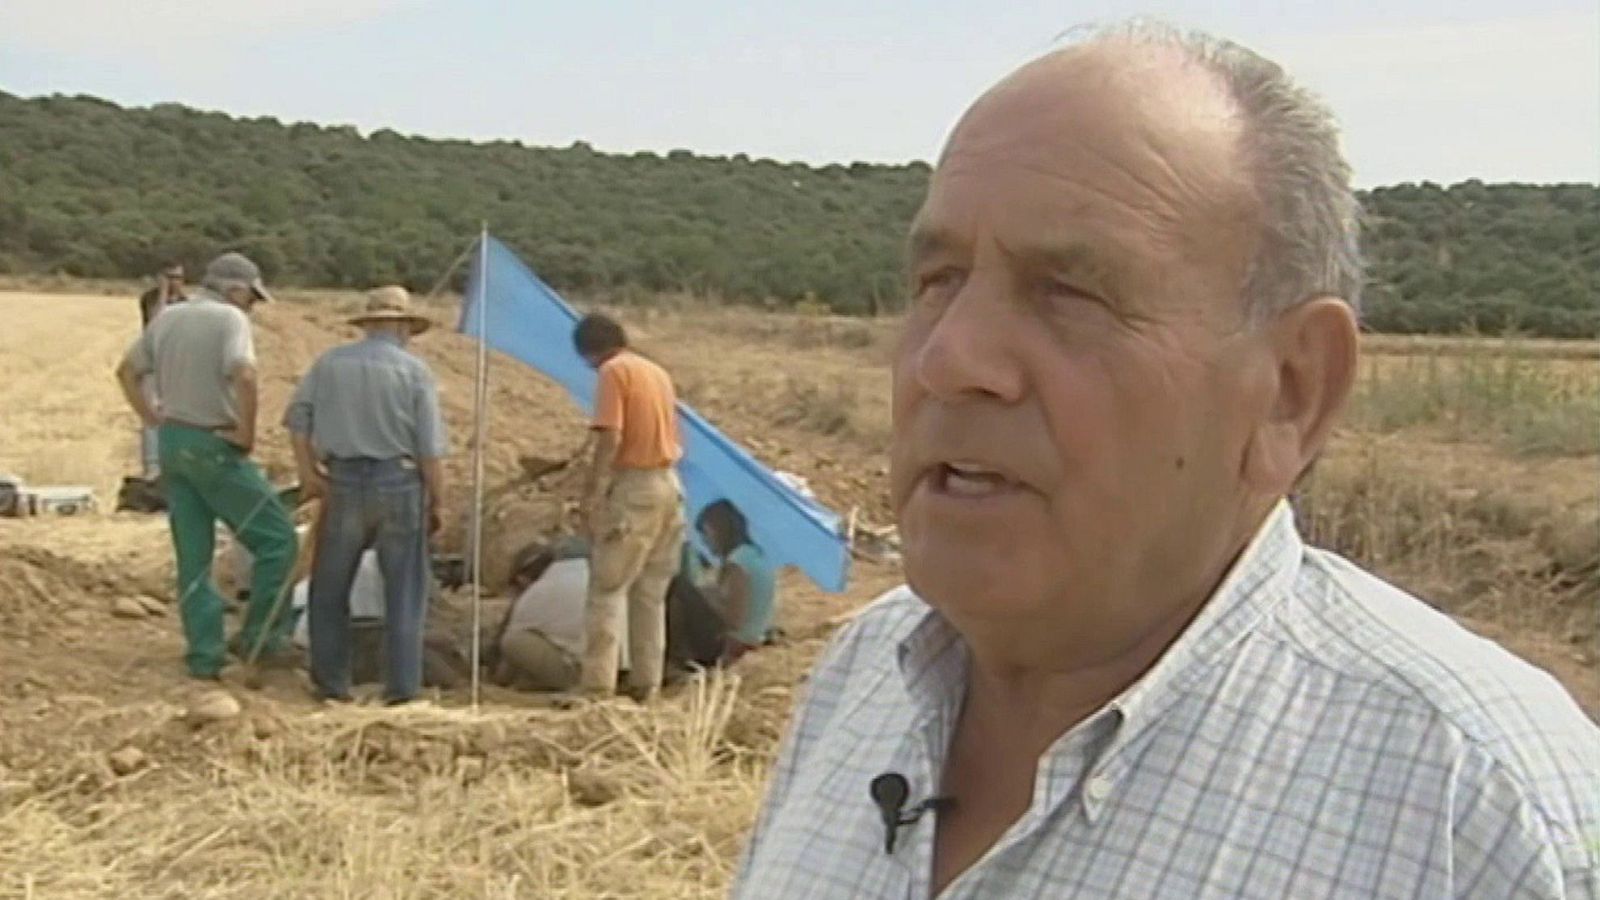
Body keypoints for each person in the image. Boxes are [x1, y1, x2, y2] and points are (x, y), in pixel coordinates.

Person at [735, 23, 1599, 899]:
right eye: (938, 282)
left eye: (1067, 293)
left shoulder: (1483, 820)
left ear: (1290, 389)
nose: (948, 359)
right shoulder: (864, 676)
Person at [114, 251, 295, 680]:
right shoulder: (229, 320)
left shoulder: (168, 317)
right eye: (251, 296)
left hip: (175, 440)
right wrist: (246, 433)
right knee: (278, 541)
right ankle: (261, 639)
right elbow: (244, 375)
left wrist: (153, 418)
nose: (252, 305)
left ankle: (204, 654)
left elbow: (126, 372)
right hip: (214, 441)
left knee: (193, 556)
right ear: (235, 289)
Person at [284, 285, 448, 705]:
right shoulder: (415, 371)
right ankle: (402, 689)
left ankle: (332, 684)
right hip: (399, 481)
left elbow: (297, 418)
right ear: (403, 328)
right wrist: (438, 499)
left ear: (369, 325)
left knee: (330, 587)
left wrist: (309, 472)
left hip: (342, 481)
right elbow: (430, 447)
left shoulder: (329, 364)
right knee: (404, 592)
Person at [574, 313, 685, 701]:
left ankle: (597, 689)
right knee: (650, 594)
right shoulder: (656, 372)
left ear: (590, 352)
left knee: (607, 589)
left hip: (635, 487)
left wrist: (594, 490)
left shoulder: (613, 372)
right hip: (669, 483)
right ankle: (646, 684)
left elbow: (610, 435)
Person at [491, 538, 725, 691]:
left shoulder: (534, 596)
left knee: (515, 641)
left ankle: (577, 685)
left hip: (590, 672)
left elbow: (503, 657)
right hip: (630, 663)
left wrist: (498, 682)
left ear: (523, 579)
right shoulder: (590, 571)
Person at [695, 499, 778, 664]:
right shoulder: (754, 555)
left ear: (720, 531)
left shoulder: (737, 563)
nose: (705, 541)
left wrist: (705, 596)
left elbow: (734, 619)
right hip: (753, 637)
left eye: (707, 533)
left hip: (736, 643)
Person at [135, 261, 189, 480]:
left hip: (176, 363)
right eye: (171, 277)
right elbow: (155, 324)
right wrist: (163, 294)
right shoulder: (150, 299)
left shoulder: (186, 303)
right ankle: (152, 467)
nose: (176, 282)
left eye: (179, 278)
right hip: (153, 362)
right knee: (151, 414)